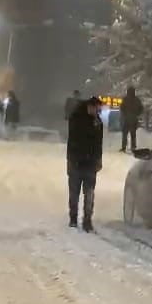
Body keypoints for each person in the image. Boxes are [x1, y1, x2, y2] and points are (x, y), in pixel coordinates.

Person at [66, 96, 104, 232]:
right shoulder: (76, 119)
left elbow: (99, 143)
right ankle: (73, 218)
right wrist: (70, 160)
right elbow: (72, 141)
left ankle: (87, 220)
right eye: (96, 108)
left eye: (99, 109)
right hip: (76, 162)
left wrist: (98, 159)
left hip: (90, 164)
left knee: (89, 194)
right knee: (74, 193)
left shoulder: (97, 122)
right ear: (90, 106)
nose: (98, 111)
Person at [120, 86, 143, 152]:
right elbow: (141, 108)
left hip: (127, 119)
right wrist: (137, 114)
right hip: (134, 119)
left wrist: (125, 114)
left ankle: (124, 147)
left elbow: (122, 107)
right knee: (133, 134)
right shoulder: (137, 100)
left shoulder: (125, 99)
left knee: (125, 134)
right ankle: (133, 147)